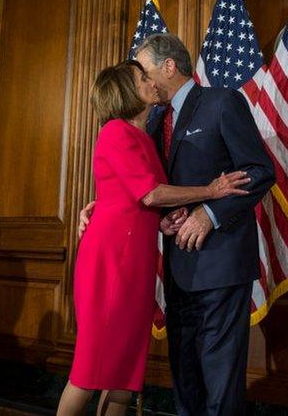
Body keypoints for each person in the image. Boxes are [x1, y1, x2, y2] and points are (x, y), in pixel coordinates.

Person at [80, 34, 276, 415]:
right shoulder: (152, 121)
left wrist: (209, 214)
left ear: (168, 67)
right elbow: (140, 184)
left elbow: (259, 171)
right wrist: (100, 206)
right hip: (177, 270)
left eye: (144, 70)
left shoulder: (222, 102)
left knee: (220, 381)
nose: (143, 80)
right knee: (185, 379)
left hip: (221, 264)